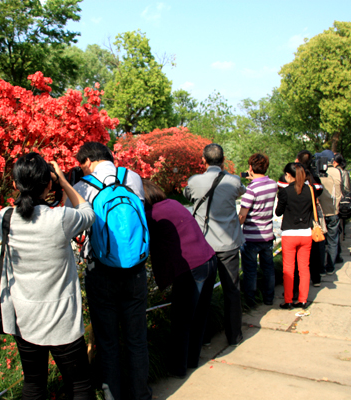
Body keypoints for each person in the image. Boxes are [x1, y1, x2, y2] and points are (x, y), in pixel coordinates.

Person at [0, 153, 95, 400]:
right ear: (48, 183)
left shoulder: (5, 218)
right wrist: (64, 180)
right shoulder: (60, 218)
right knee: (80, 384)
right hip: (62, 320)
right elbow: (87, 211)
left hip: (25, 317)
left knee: (34, 384)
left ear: (16, 184)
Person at [68, 142, 151, 400]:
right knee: (137, 339)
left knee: (108, 341)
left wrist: (69, 187)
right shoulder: (132, 177)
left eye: (82, 166)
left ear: (89, 161)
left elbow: (74, 226)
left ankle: (112, 396)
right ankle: (141, 395)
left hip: (101, 271)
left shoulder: (84, 186)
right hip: (136, 269)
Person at [142, 179, 217, 378]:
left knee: (181, 321)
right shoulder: (173, 204)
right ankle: (191, 360)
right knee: (198, 316)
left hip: (191, 268)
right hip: (209, 259)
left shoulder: (151, 215)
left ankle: (178, 368)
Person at [184, 143, 245, 346]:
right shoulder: (234, 181)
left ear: (203, 160)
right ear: (223, 159)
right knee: (232, 291)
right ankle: (234, 335)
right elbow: (240, 191)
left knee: (203, 294)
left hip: (204, 246)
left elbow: (187, 195)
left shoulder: (194, 181)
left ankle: (204, 337)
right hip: (228, 245)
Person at [238, 153, 277, 307]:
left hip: (251, 237)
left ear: (250, 168)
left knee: (250, 270)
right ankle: (269, 298)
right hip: (267, 234)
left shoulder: (250, 189)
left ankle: (250, 301)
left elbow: (242, 215)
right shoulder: (273, 184)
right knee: (268, 268)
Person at [275, 163, 314, 309]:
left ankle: (288, 300)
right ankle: (303, 299)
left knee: (288, 269)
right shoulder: (310, 190)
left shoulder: (285, 192)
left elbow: (278, 212)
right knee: (304, 268)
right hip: (306, 233)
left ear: (289, 175)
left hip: (289, 234)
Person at [316, 149, 343, 275]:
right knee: (333, 240)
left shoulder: (317, 171)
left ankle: (320, 268)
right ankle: (330, 266)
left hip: (321, 212)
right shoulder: (338, 172)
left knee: (321, 242)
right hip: (334, 210)